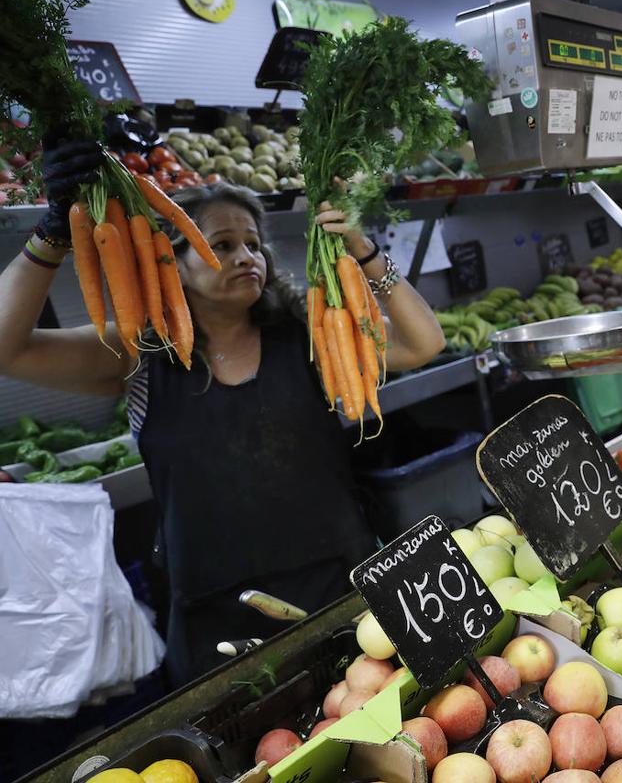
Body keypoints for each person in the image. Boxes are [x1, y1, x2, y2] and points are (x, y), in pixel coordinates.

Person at [0, 147, 446, 684]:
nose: (247, 257)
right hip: (215, 615)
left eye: (254, 245)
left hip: (340, 589)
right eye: (223, 245)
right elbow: (8, 348)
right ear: (173, 264)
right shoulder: (141, 355)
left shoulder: (309, 337)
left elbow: (422, 344)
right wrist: (50, 236)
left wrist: (365, 251)